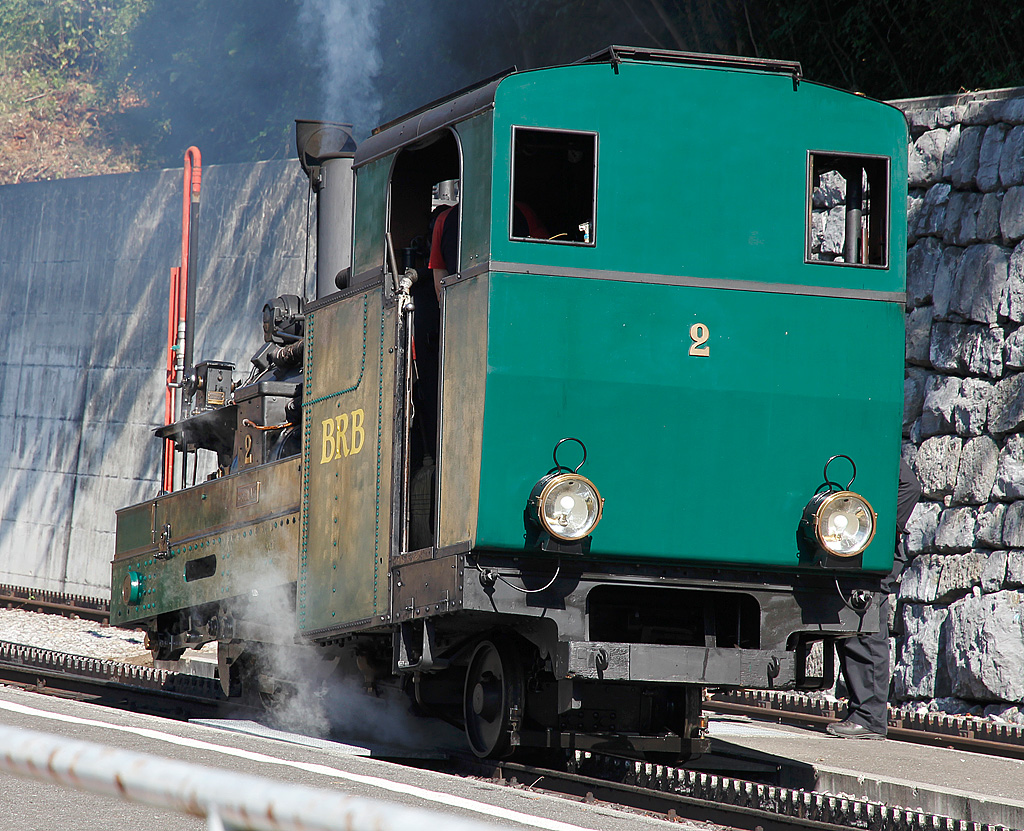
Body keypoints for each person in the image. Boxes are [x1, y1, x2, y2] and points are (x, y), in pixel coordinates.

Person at [827, 458, 922, 739]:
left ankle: (869, 719)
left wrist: (879, 534)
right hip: (857, 554)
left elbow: (910, 486)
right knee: (855, 633)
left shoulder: (870, 447)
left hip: (868, 556)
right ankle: (864, 714)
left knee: (865, 634)